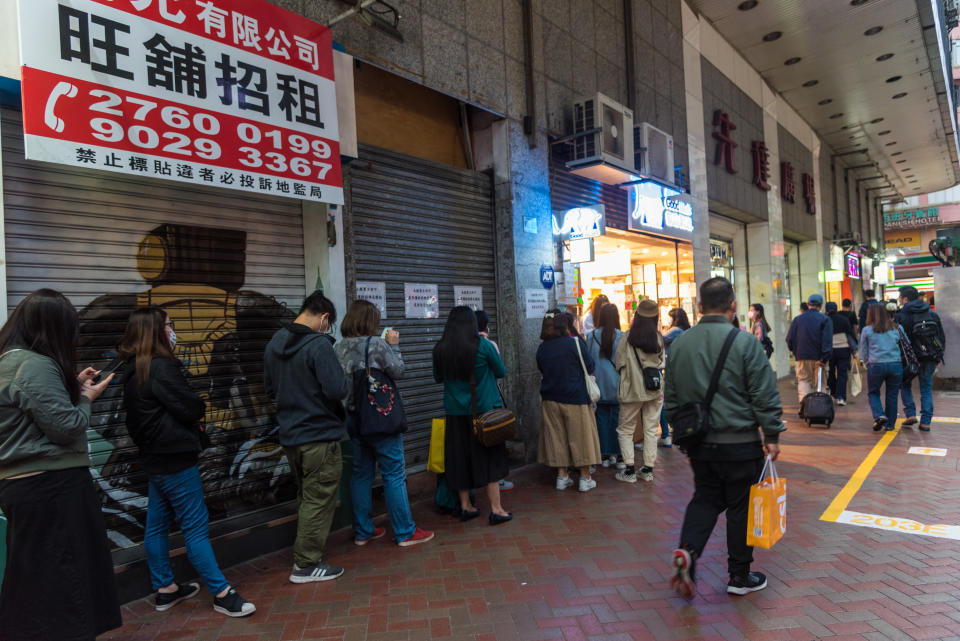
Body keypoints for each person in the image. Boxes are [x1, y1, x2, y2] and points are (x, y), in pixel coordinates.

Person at [0, 289, 122, 640]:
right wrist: (86, 397)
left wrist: (72, 387)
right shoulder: (33, 364)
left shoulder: (10, 359)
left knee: (36, 582)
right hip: (51, 488)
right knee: (66, 582)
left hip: (26, 488)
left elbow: (38, 412)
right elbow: (67, 427)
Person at [119, 307, 255, 617]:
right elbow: (191, 407)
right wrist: (197, 405)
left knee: (155, 526)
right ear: (155, 331)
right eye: (168, 325)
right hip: (176, 459)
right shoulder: (161, 368)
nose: (172, 330)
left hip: (154, 460)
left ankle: (165, 589)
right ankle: (222, 593)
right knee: (195, 529)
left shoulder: (132, 369)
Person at [665, 277, 784, 599]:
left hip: (700, 443)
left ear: (699, 306)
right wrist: (771, 434)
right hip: (741, 444)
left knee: (705, 498)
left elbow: (671, 398)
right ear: (732, 305)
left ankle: (688, 551)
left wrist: (681, 432)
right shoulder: (745, 343)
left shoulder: (679, 344)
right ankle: (739, 575)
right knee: (740, 507)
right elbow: (764, 393)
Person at [264, 291, 349, 583]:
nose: (328, 329)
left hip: (290, 437)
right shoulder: (318, 345)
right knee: (318, 498)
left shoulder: (274, 342)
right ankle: (306, 564)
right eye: (330, 324)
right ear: (324, 318)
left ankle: (306, 554)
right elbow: (338, 389)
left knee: (307, 496)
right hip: (319, 437)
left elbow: (269, 390)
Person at [335, 300, 434, 547]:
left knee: (360, 474)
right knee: (394, 473)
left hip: (352, 420)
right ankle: (405, 531)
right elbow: (399, 370)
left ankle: (363, 531)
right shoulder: (376, 344)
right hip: (379, 418)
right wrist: (394, 346)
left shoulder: (338, 347)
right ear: (370, 322)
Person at [433, 306, 513, 524]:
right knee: (490, 460)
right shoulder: (484, 346)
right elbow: (501, 371)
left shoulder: (441, 349)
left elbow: (438, 377)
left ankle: (466, 506)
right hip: (483, 412)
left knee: (459, 459)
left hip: (455, 413)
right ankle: (496, 510)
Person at [537, 311, 602, 491]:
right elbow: (589, 366)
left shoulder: (543, 348)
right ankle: (584, 478)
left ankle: (562, 476)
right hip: (575, 397)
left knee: (556, 438)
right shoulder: (574, 343)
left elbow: (541, 368)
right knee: (581, 437)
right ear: (565, 326)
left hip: (550, 398)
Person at [614, 300, 665, 483]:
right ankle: (647, 469)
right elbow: (661, 363)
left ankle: (629, 470)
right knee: (651, 429)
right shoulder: (658, 338)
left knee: (626, 429)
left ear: (637, 317)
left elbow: (618, 363)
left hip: (632, 390)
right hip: (654, 389)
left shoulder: (627, 338)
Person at [896, 285, 946, 432]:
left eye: (900, 298)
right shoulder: (931, 314)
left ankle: (910, 414)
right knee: (926, 388)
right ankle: (926, 422)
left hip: (909, 359)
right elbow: (941, 337)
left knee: (904, 384)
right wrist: (938, 356)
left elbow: (900, 340)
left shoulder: (902, 316)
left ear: (905, 299)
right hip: (929, 357)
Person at [476, 309, 513, 491]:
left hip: (471, 403)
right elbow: (500, 372)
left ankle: (480, 478)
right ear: (486, 326)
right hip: (490, 399)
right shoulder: (488, 345)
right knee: (494, 441)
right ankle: (496, 480)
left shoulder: (465, 345)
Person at [586, 303, 623, 469]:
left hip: (598, 385)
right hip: (617, 385)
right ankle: (620, 455)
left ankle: (605, 455)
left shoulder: (591, 336)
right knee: (618, 420)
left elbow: (588, 362)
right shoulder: (622, 336)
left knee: (601, 419)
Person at [859, 304, 905, 432]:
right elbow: (906, 344)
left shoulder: (867, 330)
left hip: (876, 365)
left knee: (873, 392)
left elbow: (863, 351)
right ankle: (890, 424)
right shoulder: (897, 328)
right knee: (892, 394)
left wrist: (868, 363)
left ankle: (879, 415)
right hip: (895, 364)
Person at [785, 294, 833, 404]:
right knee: (820, 383)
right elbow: (827, 341)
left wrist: (796, 353)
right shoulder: (825, 319)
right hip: (819, 358)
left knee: (804, 381)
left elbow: (789, 339)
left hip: (802, 357)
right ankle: (820, 408)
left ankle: (805, 407)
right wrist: (824, 358)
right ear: (820, 306)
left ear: (808, 305)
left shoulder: (797, 319)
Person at [659, 308, 691, 447]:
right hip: (684, 366)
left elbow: (660, 339)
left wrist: (659, 328)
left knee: (668, 398)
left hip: (672, 366)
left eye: (670, 317)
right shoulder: (687, 329)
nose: (669, 320)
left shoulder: (675, 330)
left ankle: (672, 429)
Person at [825, 302, 857, 406]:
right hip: (843, 349)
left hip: (829, 351)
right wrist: (854, 351)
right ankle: (840, 397)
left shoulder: (824, 320)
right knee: (842, 374)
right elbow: (849, 335)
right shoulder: (843, 319)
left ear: (826, 310)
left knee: (830, 373)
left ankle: (833, 392)